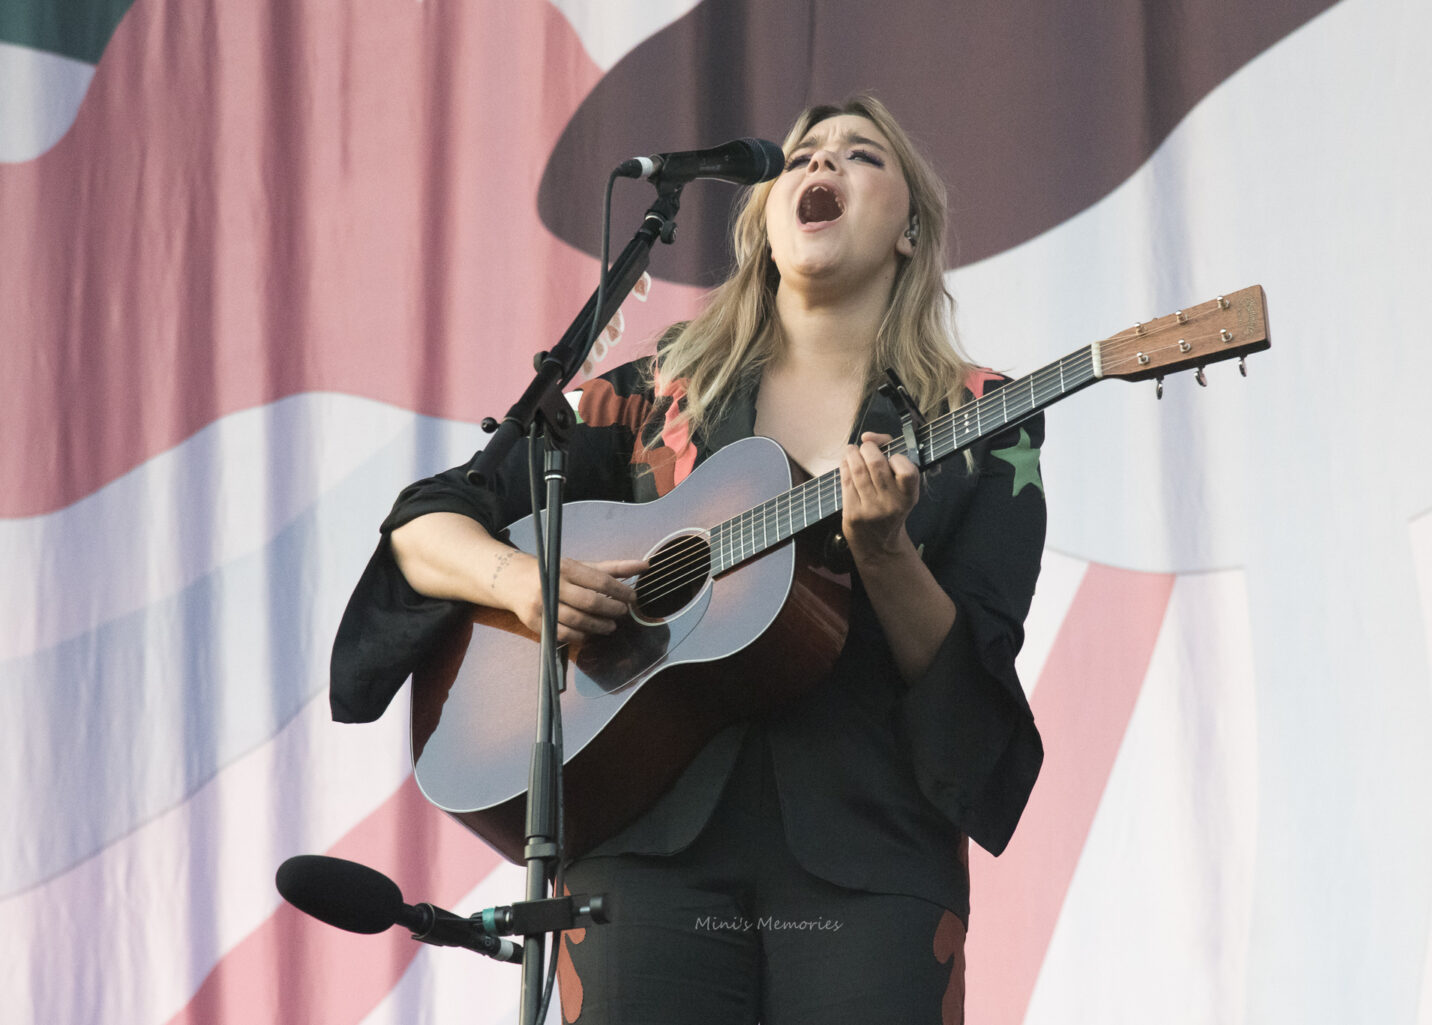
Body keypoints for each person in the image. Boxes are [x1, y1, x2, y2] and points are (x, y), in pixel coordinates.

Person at [330, 94, 1047, 1025]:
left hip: (869, 857)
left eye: (863, 155)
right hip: (642, 845)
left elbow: (974, 672)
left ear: (910, 230)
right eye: (801, 155)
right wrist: (524, 583)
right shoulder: (651, 397)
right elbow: (425, 523)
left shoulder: (981, 418)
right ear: (764, 219)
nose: (821, 163)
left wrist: (886, 556)